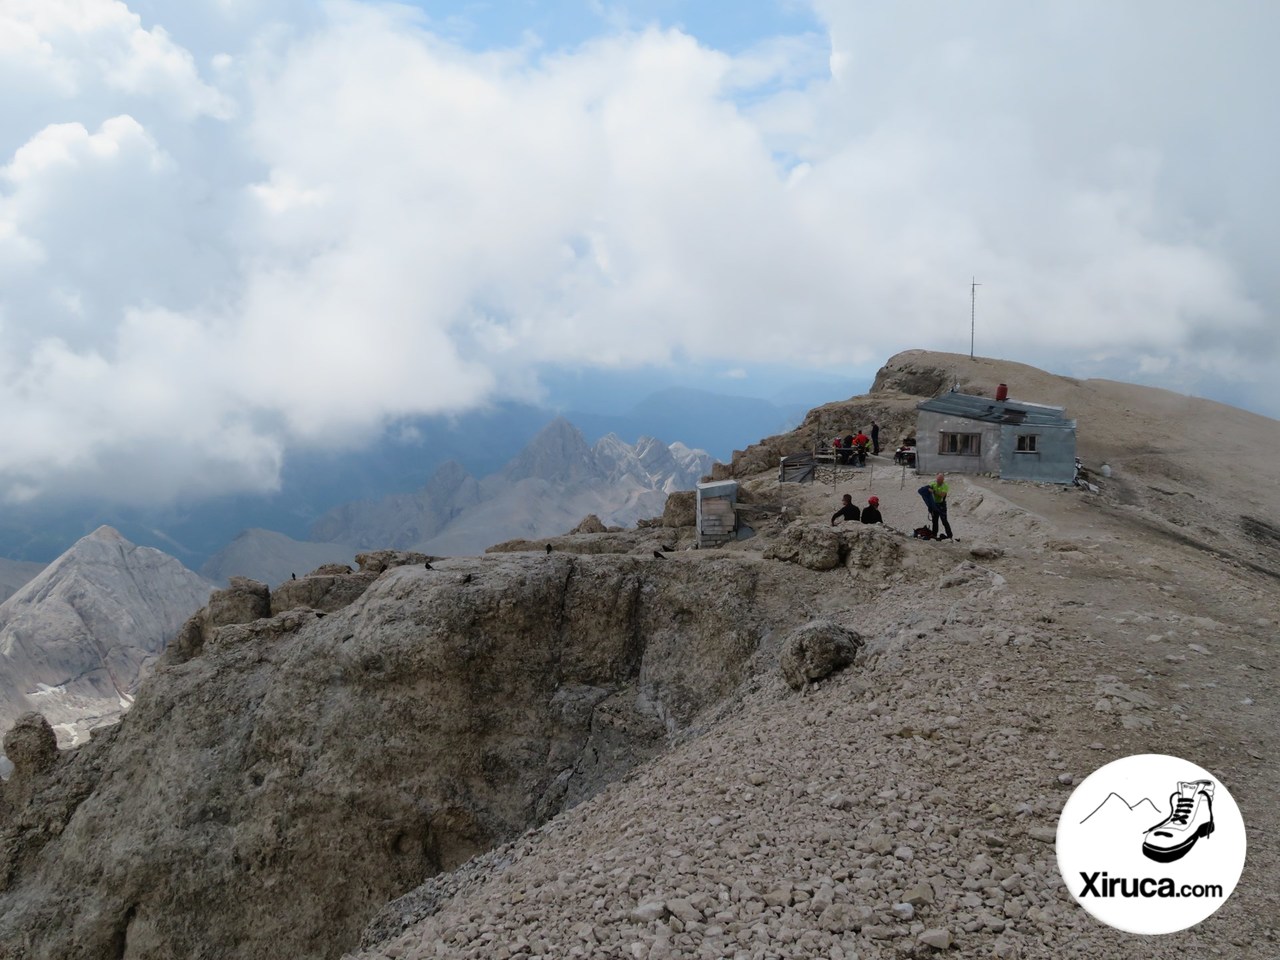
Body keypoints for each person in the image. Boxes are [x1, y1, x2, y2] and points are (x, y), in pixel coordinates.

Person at [927, 473, 954, 540]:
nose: (938, 481)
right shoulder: (933, 483)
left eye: (940, 480)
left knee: (944, 521)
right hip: (934, 504)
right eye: (938, 479)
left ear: (943, 480)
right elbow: (927, 488)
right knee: (934, 521)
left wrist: (933, 491)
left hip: (942, 505)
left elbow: (942, 495)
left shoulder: (945, 486)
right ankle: (934, 534)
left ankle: (949, 535)